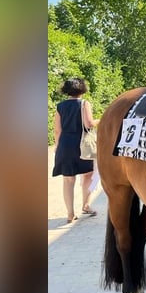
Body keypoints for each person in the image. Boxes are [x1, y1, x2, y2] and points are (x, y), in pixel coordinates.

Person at [52, 78, 100, 223]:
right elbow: (89, 124)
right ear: (82, 89)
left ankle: (70, 213)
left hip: (65, 144)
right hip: (82, 144)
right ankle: (86, 205)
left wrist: (57, 146)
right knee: (90, 174)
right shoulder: (84, 104)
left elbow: (57, 130)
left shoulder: (60, 106)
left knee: (68, 179)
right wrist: (101, 120)